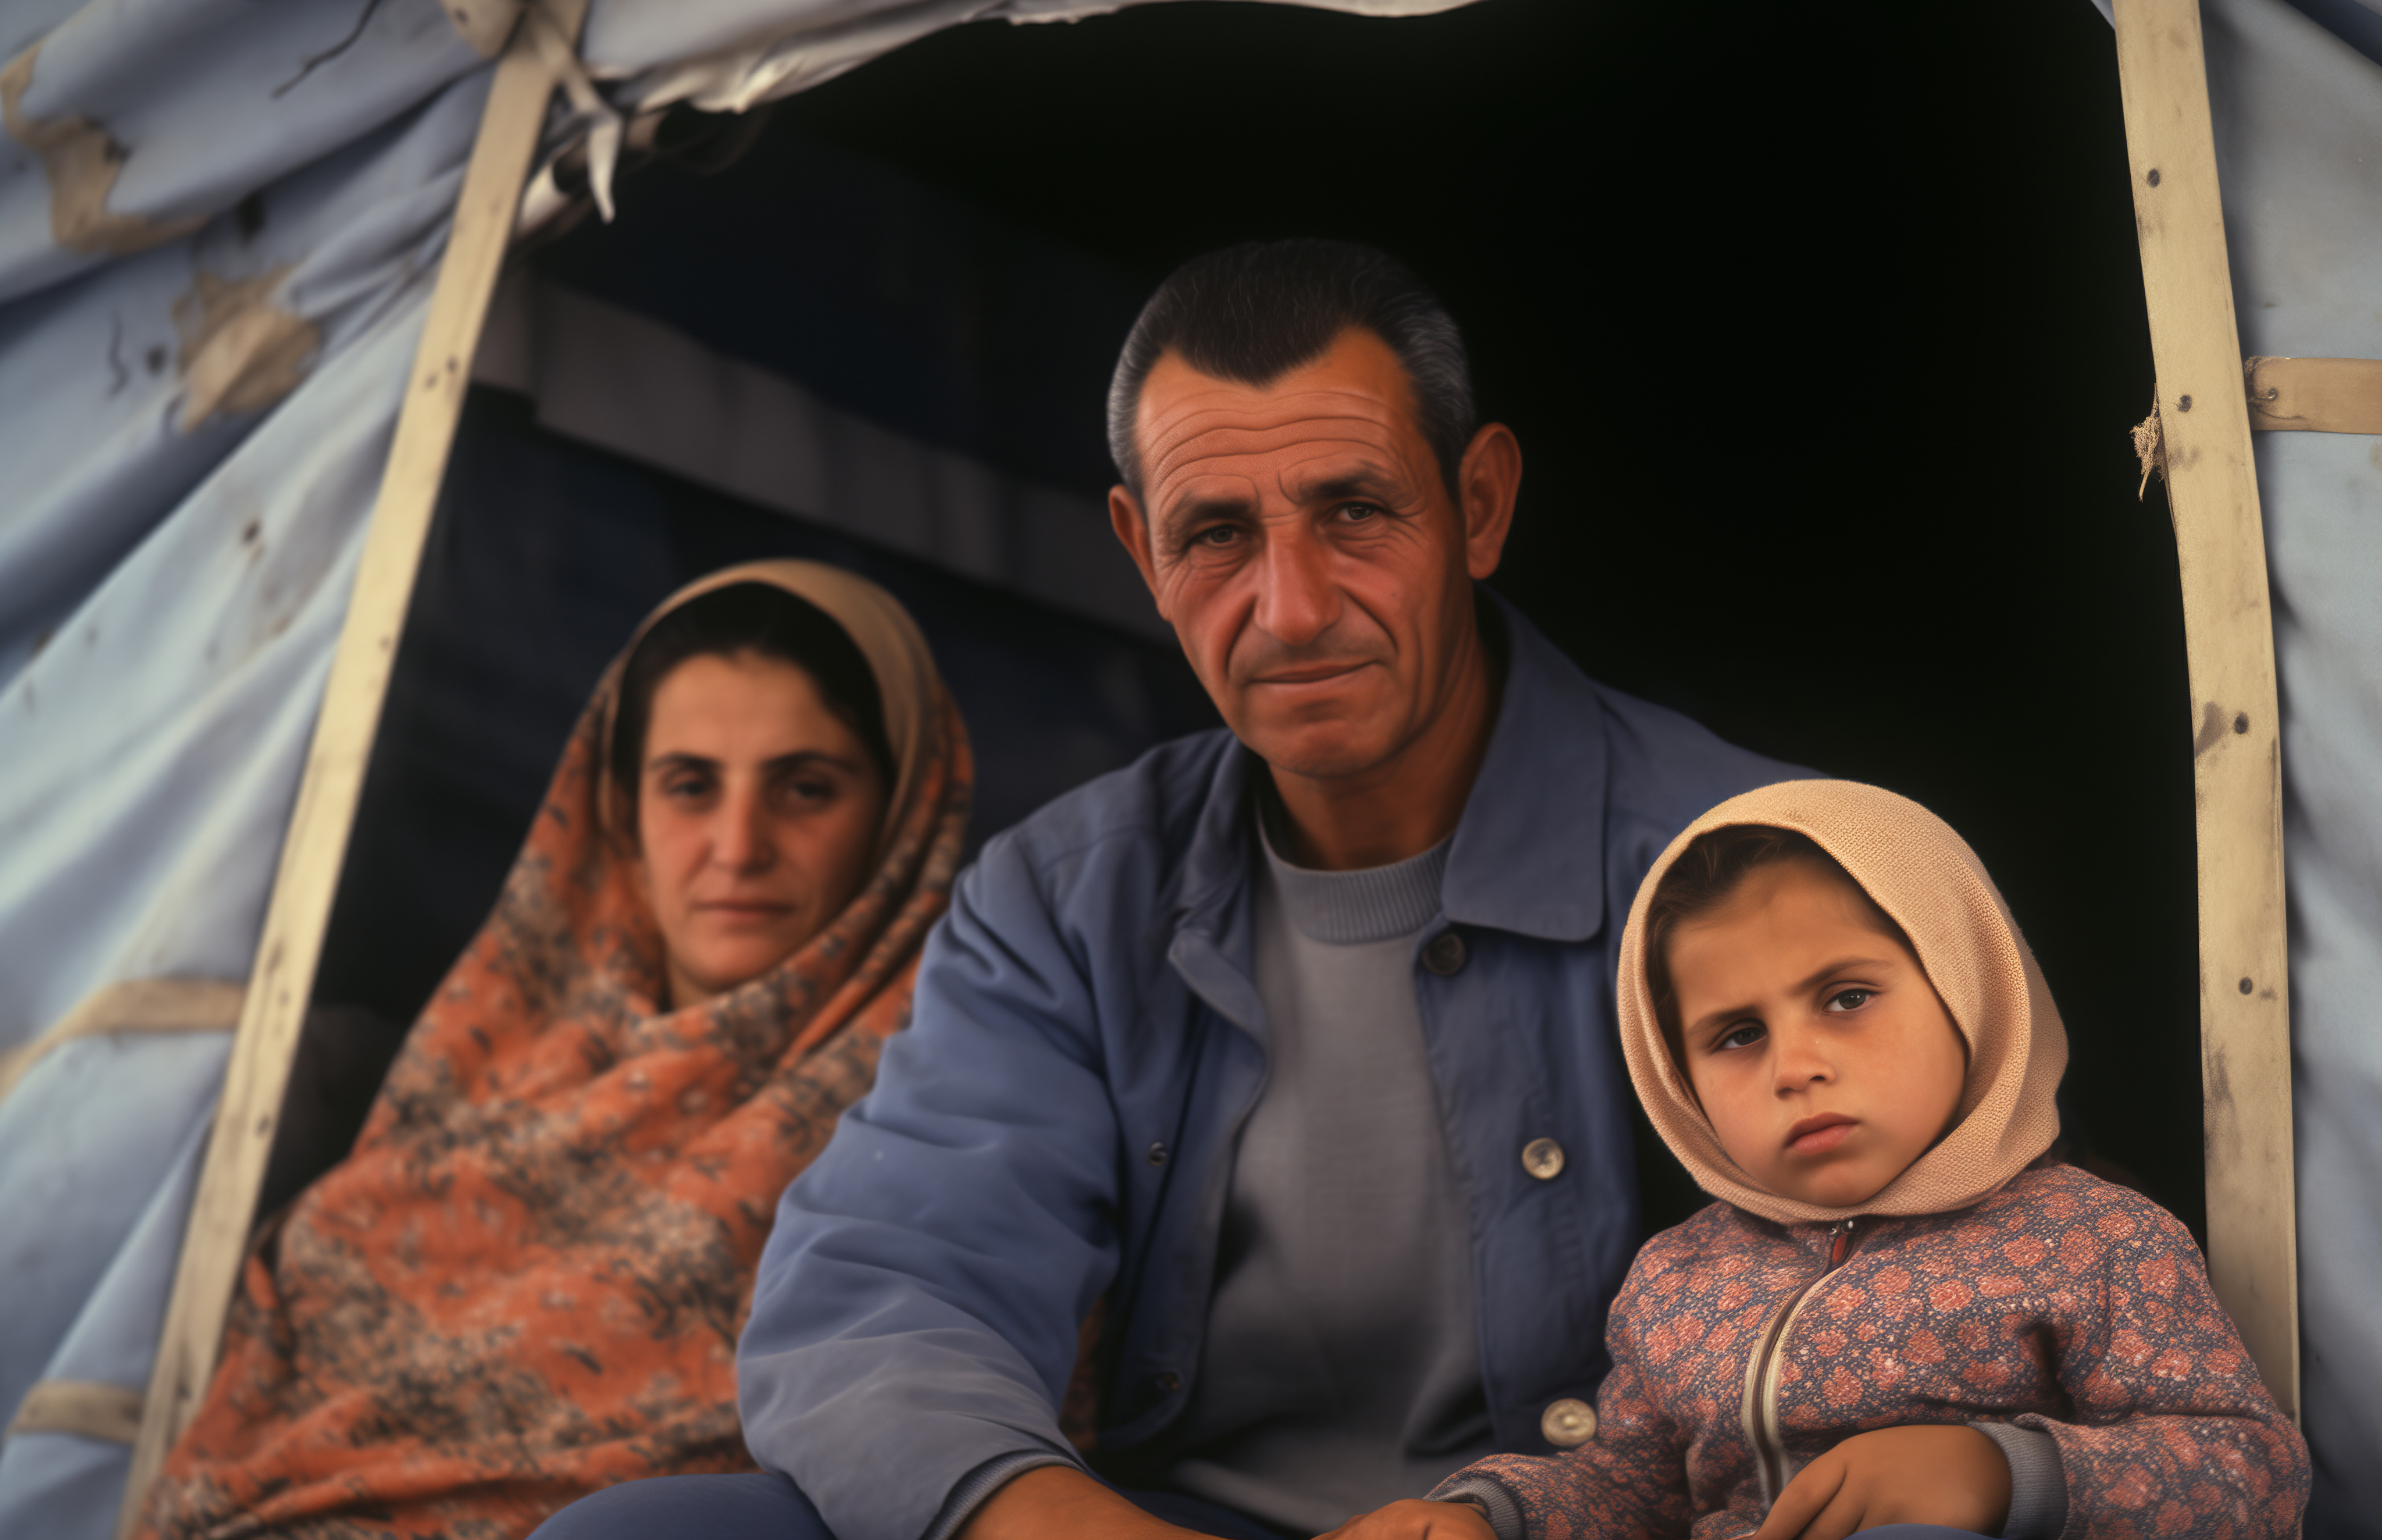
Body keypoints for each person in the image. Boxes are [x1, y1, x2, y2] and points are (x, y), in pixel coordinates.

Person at [533, 239, 1800, 1540]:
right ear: (1140, 551)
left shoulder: (1747, 864)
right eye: (1215, 534)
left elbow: (1942, 1295)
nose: (1290, 608)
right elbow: (888, 1294)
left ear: (1477, 506)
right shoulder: (1067, 901)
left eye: (1354, 511)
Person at [133, 562, 972, 1540]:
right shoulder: (494, 1047)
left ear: (903, 812)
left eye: (807, 788)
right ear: (619, 810)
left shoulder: (953, 1095)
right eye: (690, 786)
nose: (739, 845)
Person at [1330, 779, 2310, 1540]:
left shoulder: (2097, 1240)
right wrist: (1488, 1515)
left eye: (1847, 997)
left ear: (1965, 982)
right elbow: (1633, 1492)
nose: (1796, 1067)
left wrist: (2003, 1473)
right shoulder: (1679, 1278)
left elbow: (2254, 1475)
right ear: (1677, 1077)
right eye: (1736, 1034)